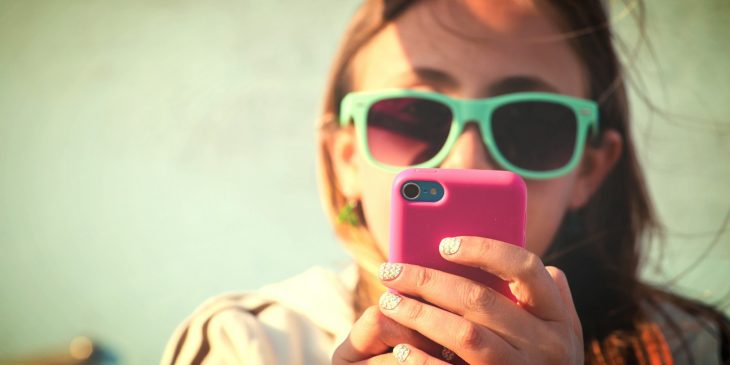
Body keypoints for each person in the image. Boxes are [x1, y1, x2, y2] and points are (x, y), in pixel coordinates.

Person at [161, 0, 730, 364]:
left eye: (531, 123)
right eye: (410, 117)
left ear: (589, 168)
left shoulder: (696, 349)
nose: (467, 159)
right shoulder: (248, 344)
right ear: (345, 160)